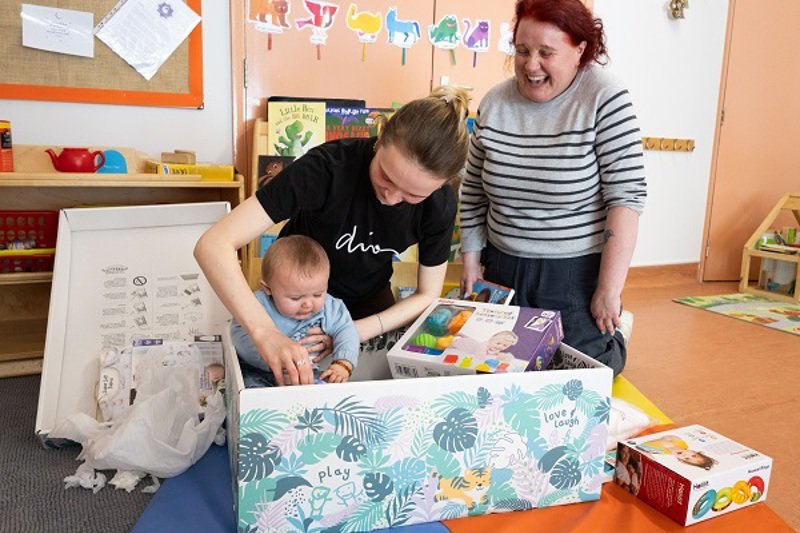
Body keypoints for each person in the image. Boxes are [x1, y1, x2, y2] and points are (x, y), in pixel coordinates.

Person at [195, 86, 471, 385]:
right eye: (386, 177)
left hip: (368, 304)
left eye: (412, 195)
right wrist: (266, 333)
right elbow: (213, 245)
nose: (391, 198)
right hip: (292, 299)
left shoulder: (439, 204)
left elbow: (427, 294)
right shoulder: (328, 168)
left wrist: (350, 332)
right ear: (380, 139)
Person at [459, 0, 647, 376]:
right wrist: (471, 261)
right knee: (498, 367)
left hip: (573, 270)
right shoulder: (495, 102)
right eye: (522, 50)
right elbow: (473, 190)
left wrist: (608, 290)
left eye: (547, 53)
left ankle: (617, 332)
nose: (531, 65)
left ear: (580, 50)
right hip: (503, 264)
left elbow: (625, 198)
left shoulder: (605, 97)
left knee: (585, 373)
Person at [231, 235, 359, 385]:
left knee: (324, 390)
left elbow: (346, 330)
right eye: (295, 298)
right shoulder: (257, 304)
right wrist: (274, 361)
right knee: (249, 393)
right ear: (268, 289)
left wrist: (343, 363)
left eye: (318, 294)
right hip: (255, 371)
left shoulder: (329, 307)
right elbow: (238, 333)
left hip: (307, 372)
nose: (308, 304)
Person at [636, 435, 717, 470]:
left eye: (687, 458)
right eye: (693, 455)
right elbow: (668, 436)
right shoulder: (682, 444)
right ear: (694, 451)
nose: (686, 455)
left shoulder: (662, 453)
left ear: (681, 460)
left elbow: (641, 447)